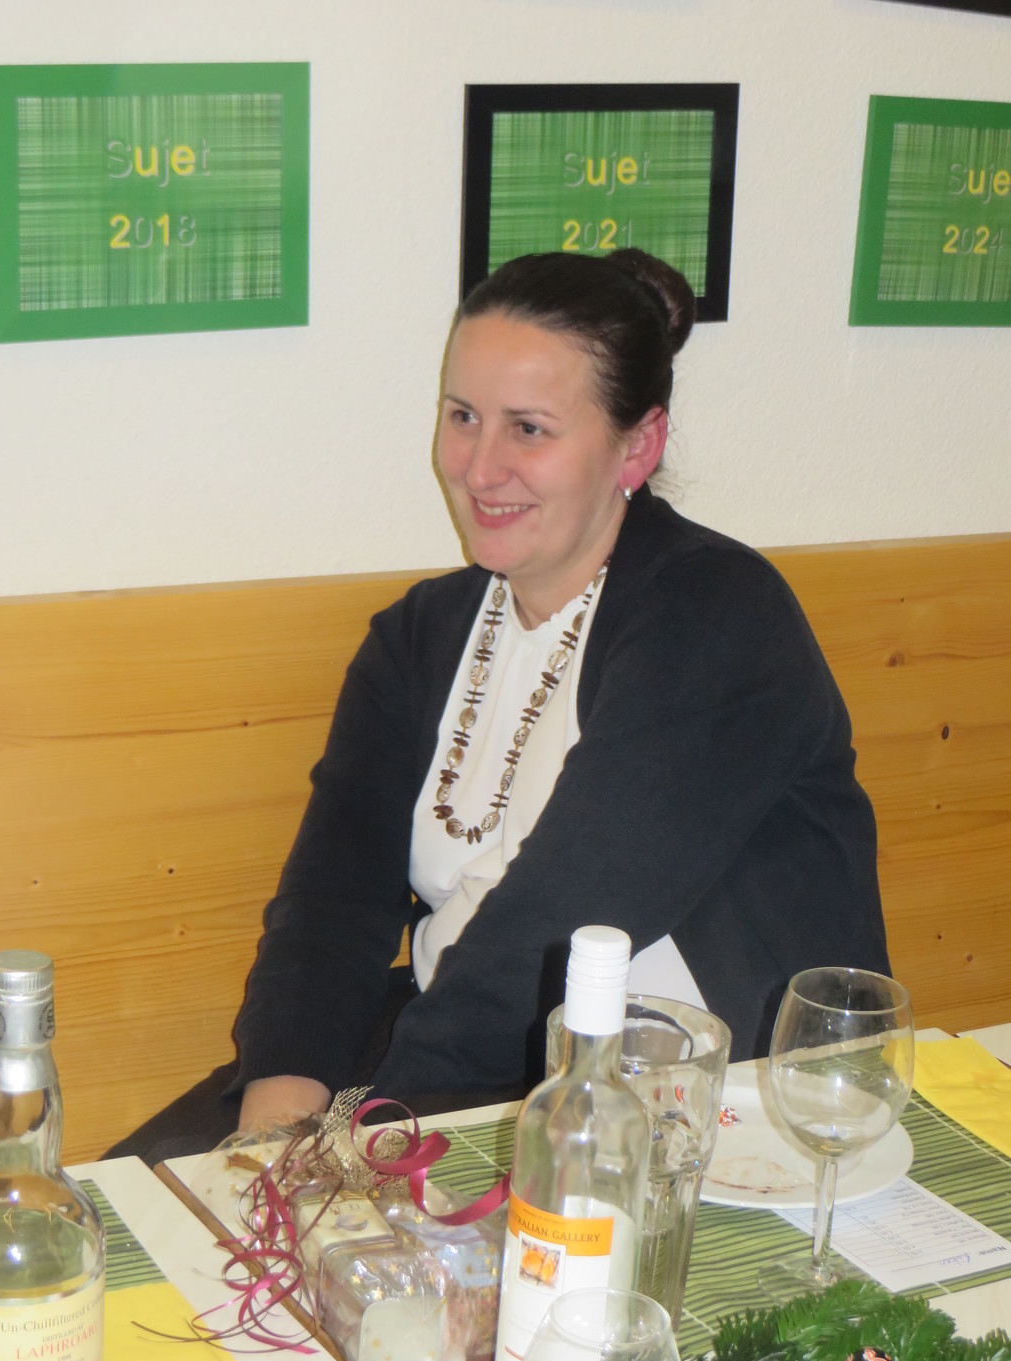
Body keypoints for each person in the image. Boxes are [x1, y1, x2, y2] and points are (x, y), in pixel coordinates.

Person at [107, 248, 890, 1161]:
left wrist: (371, 1145)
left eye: (529, 428)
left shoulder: (718, 617)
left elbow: (557, 927)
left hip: (688, 1103)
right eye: (463, 417)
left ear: (638, 446)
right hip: (459, 1045)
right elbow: (331, 902)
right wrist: (274, 1127)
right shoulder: (419, 634)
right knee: (132, 1208)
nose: (481, 468)